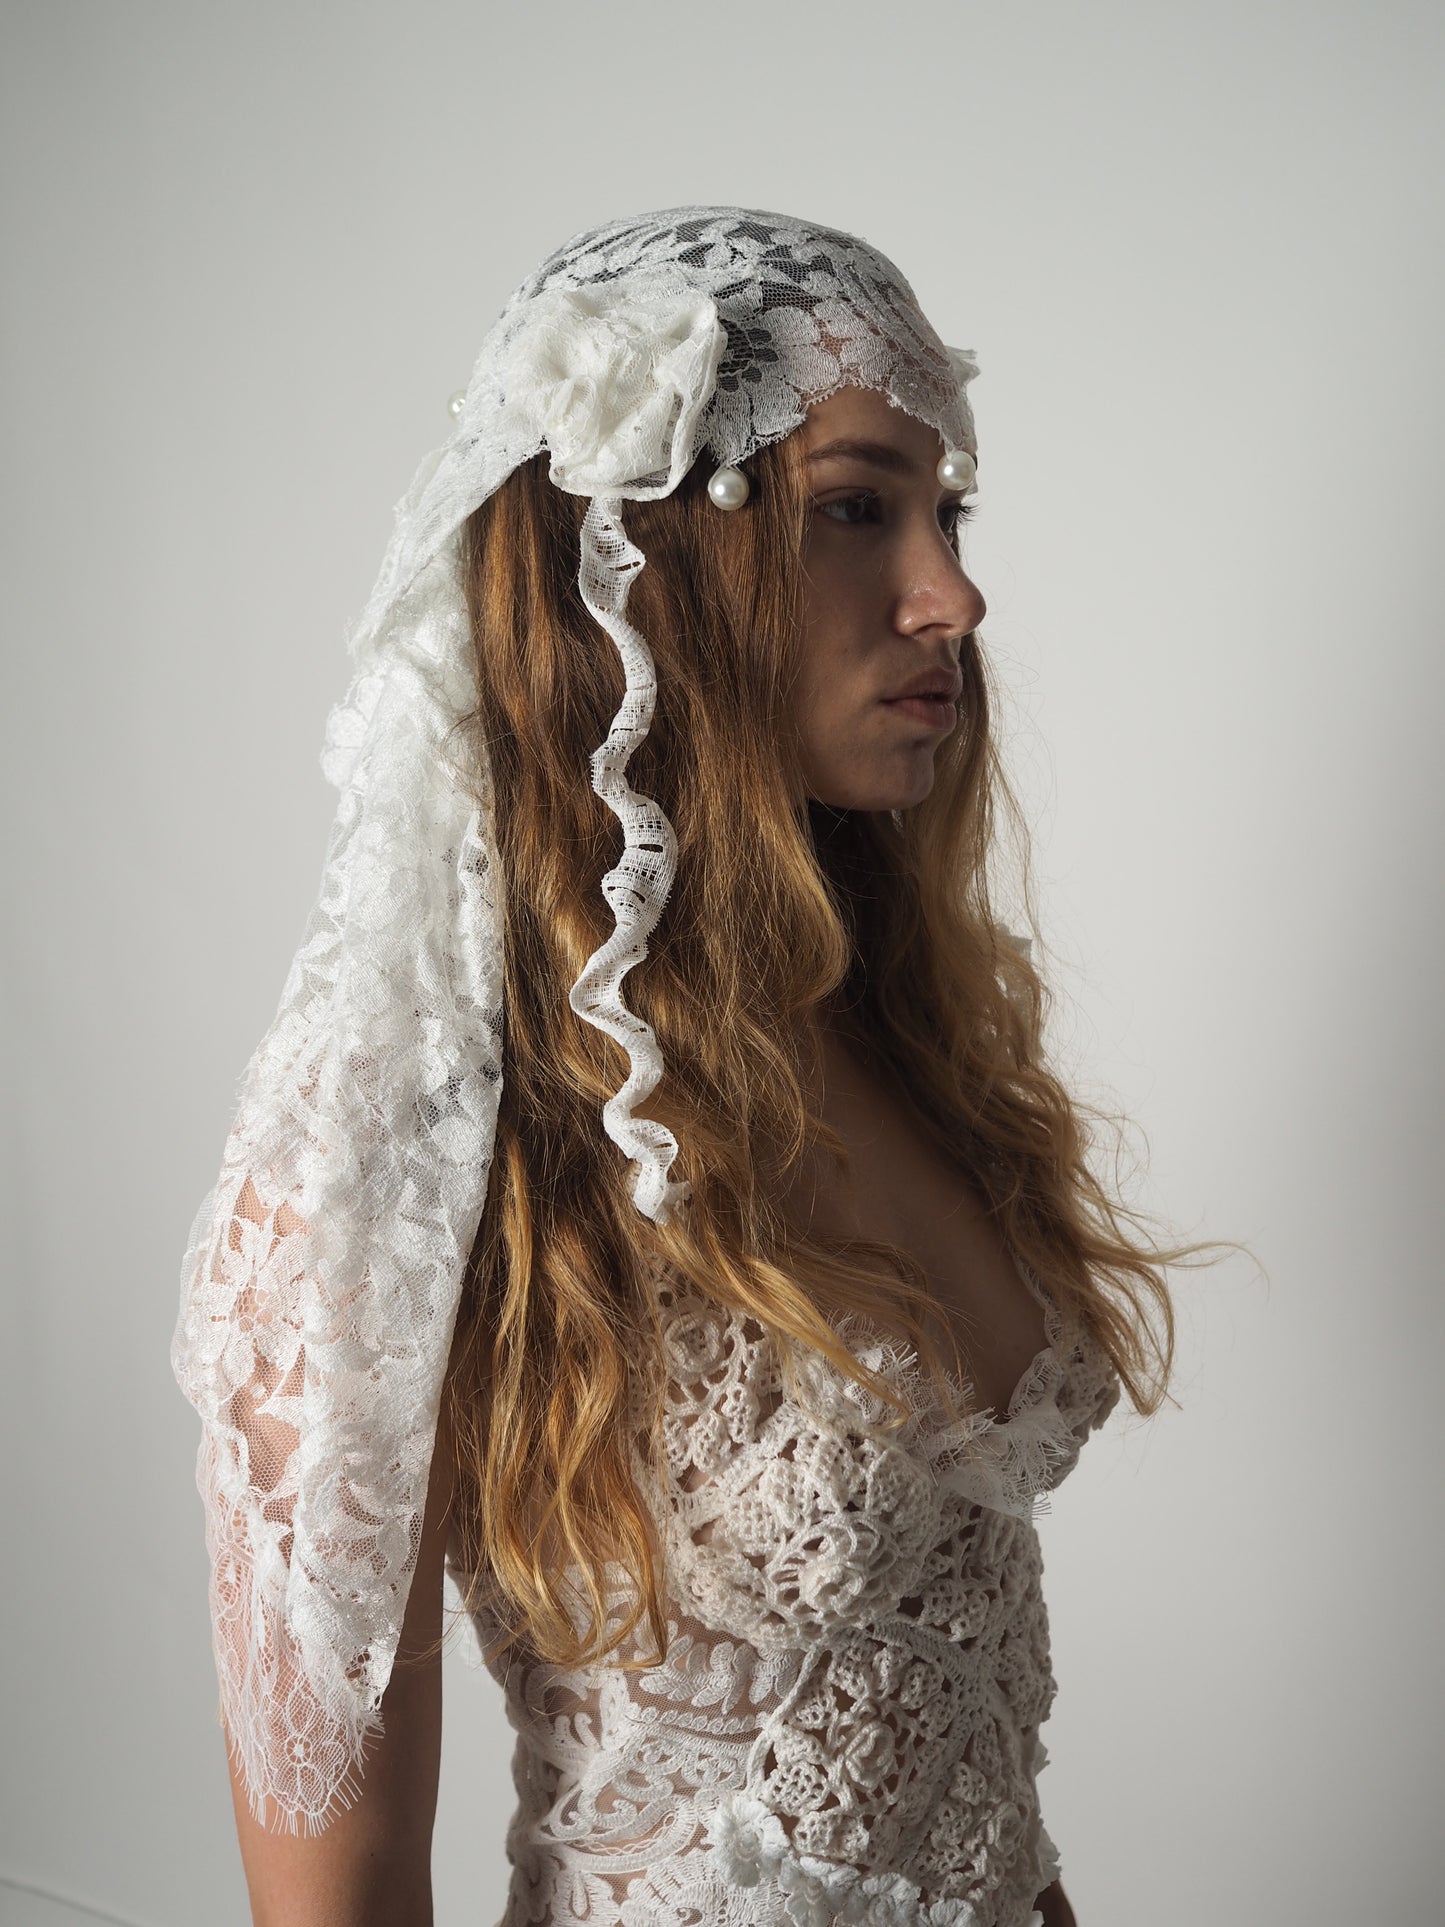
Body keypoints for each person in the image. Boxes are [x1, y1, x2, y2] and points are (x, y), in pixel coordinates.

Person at [173, 206, 1222, 1927]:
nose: (953, 591)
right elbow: (331, 1881)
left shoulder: (881, 1018)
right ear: (644, 556)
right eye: (856, 508)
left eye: (944, 510)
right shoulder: (408, 1132)